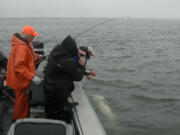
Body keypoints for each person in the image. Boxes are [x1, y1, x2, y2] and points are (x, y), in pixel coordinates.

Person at [44, 36, 86, 123]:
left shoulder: (56, 50)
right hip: (58, 94)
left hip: (49, 88)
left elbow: (68, 54)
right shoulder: (66, 60)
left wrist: (76, 51)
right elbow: (78, 77)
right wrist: (82, 65)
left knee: (50, 114)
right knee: (60, 118)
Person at [6, 26, 42, 122]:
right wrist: (32, 77)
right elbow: (19, 67)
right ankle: (17, 122)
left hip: (22, 81)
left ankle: (22, 120)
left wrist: (38, 56)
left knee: (23, 104)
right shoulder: (21, 47)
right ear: (27, 36)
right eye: (32, 36)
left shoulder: (24, 44)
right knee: (20, 105)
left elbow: (28, 56)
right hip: (19, 82)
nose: (34, 38)